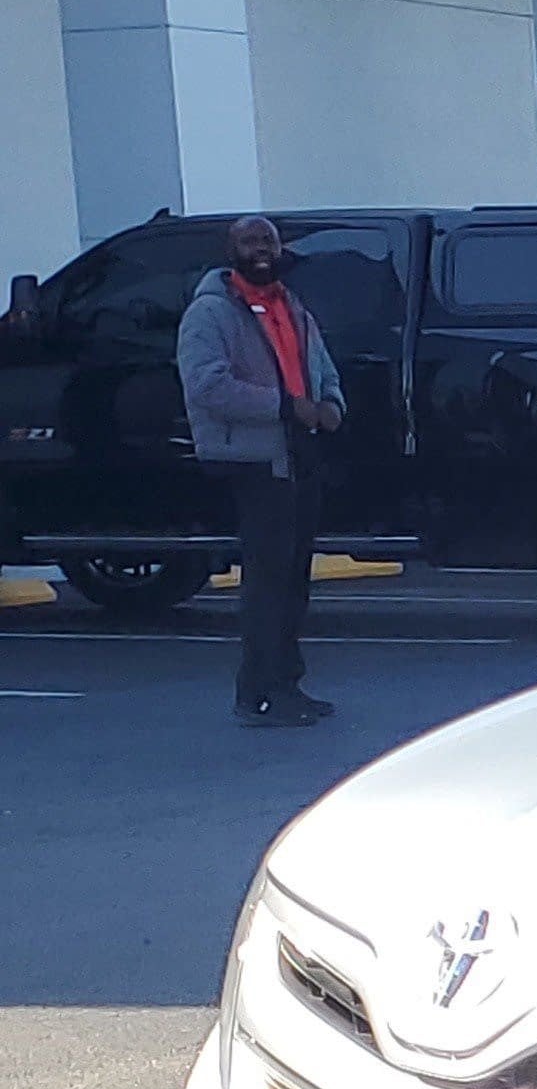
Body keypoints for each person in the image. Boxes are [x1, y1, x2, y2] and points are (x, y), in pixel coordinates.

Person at [174, 216, 345, 727]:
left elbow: (323, 368)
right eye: (250, 242)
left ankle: (288, 684)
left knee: (293, 580)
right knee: (267, 582)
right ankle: (257, 694)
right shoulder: (209, 314)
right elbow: (206, 385)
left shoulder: (290, 305)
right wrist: (286, 407)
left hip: (299, 455)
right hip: (252, 460)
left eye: (268, 241)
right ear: (231, 251)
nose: (261, 250)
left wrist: (331, 404)